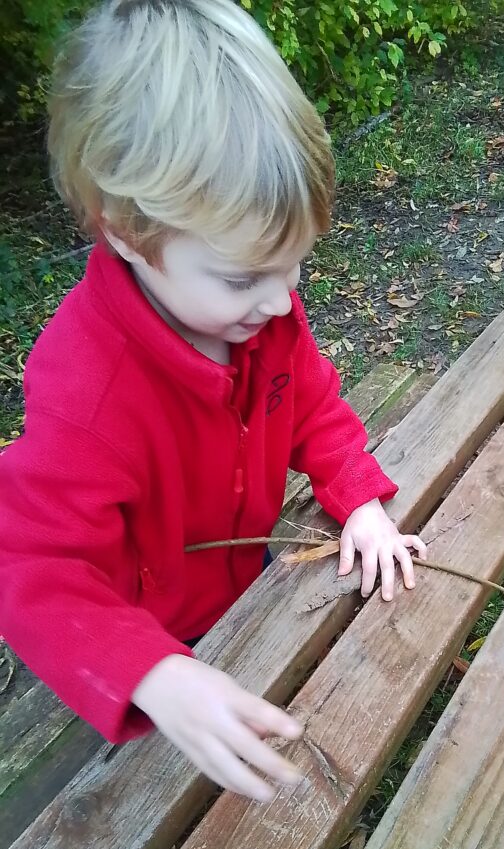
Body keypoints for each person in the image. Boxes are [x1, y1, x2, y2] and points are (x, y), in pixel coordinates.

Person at [0, 0, 427, 803]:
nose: (281, 301)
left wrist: (360, 500)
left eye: (295, 265)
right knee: (164, 806)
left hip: (245, 577)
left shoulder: (256, 318)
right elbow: (30, 563)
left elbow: (308, 399)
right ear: (124, 230)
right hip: (149, 632)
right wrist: (151, 671)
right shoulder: (88, 393)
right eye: (245, 278)